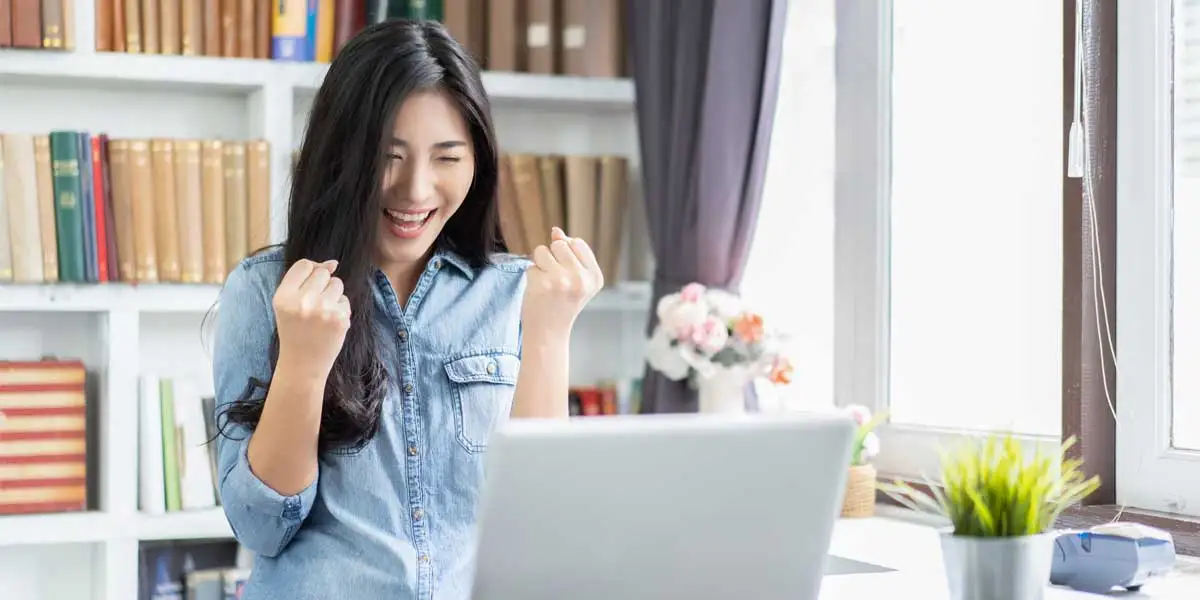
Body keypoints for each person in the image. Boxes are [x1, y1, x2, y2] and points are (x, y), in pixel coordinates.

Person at [211, 19, 603, 600]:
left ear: (478, 162)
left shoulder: (517, 294)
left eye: (447, 157)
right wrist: (303, 364)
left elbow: (539, 530)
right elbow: (261, 527)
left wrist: (547, 336)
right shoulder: (266, 290)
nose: (416, 190)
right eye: (388, 156)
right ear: (340, 156)